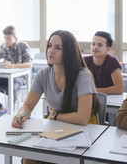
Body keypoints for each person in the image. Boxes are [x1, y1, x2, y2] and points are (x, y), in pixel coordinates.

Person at [12, 30, 98, 164]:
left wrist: (55, 116)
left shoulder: (83, 76)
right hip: (57, 129)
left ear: (69, 52)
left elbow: (82, 118)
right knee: (28, 158)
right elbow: (28, 105)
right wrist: (21, 115)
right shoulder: (43, 74)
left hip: (84, 132)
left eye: (58, 48)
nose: (51, 51)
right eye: (50, 46)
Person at [0, 25, 32, 118]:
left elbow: (29, 64)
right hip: (6, 77)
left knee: (12, 87)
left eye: (8, 38)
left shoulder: (23, 46)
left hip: (20, 78)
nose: (6, 41)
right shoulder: (4, 46)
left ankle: (11, 115)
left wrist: (12, 66)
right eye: (5, 38)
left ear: (14, 37)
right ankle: (1, 107)